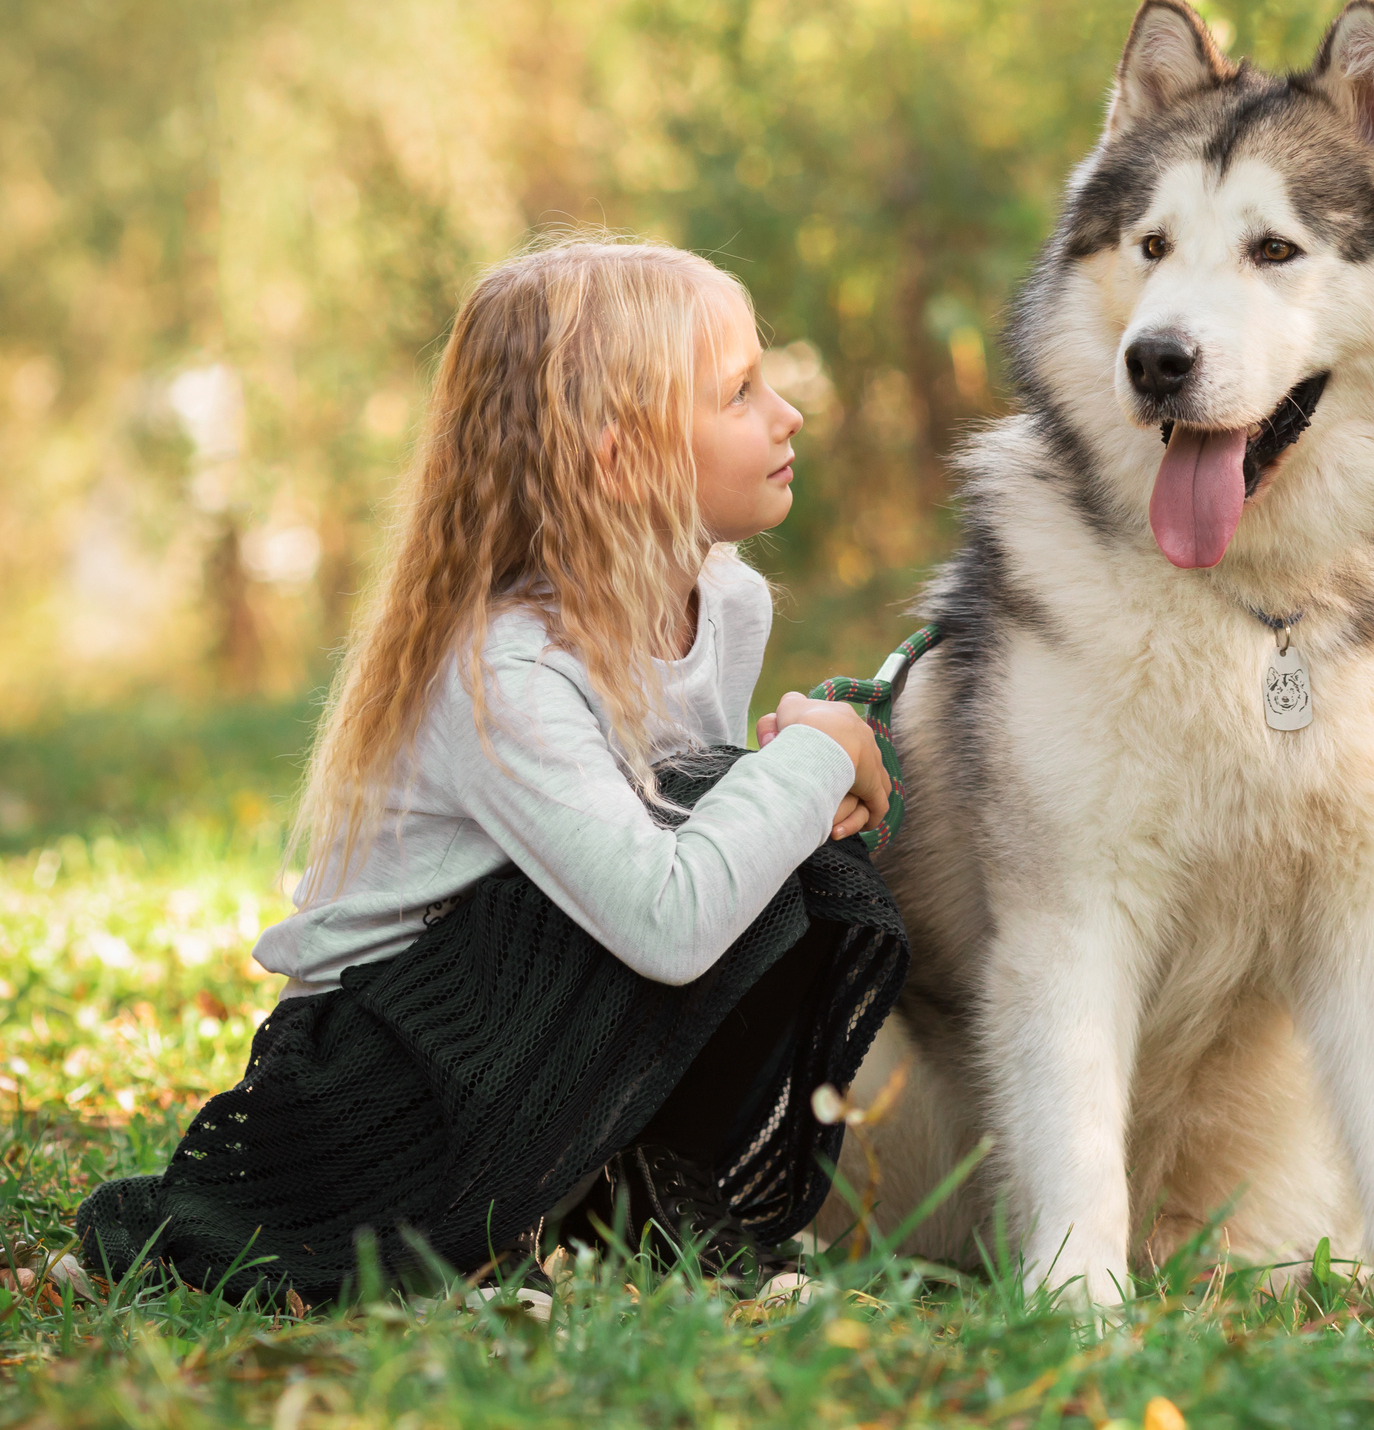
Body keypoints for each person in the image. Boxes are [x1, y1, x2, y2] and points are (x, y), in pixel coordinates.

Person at [75, 238, 908, 1303]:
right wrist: (808, 755)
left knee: (800, 865)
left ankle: (626, 1200)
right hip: (376, 1098)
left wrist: (802, 779)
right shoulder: (503, 670)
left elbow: (699, 867)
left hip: (513, 1043)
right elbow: (664, 921)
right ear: (619, 458)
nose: (786, 414)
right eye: (740, 392)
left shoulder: (727, 600)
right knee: (736, 822)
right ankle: (484, 1229)